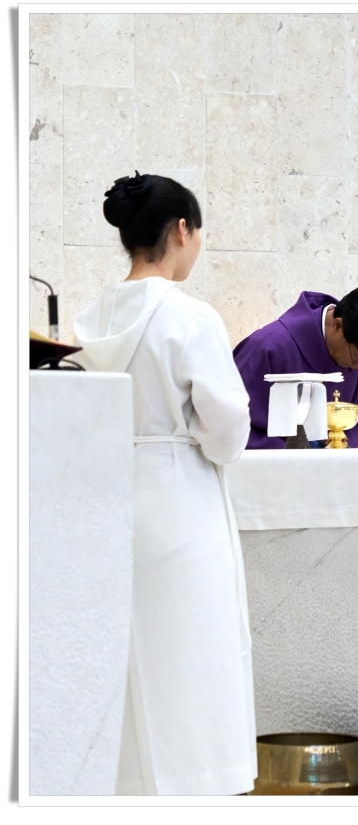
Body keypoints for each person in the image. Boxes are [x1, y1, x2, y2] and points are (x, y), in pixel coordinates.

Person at [73, 172, 257, 796]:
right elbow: (227, 430)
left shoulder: (89, 319)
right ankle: (194, 789)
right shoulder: (190, 317)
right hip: (179, 503)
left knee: (126, 659)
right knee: (190, 654)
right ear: (182, 230)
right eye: (198, 231)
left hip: (110, 501)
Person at [233, 287, 358, 449]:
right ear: (337, 326)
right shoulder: (267, 348)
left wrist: (341, 448)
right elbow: (229, 425)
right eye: (357, 360)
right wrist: (301, 453)